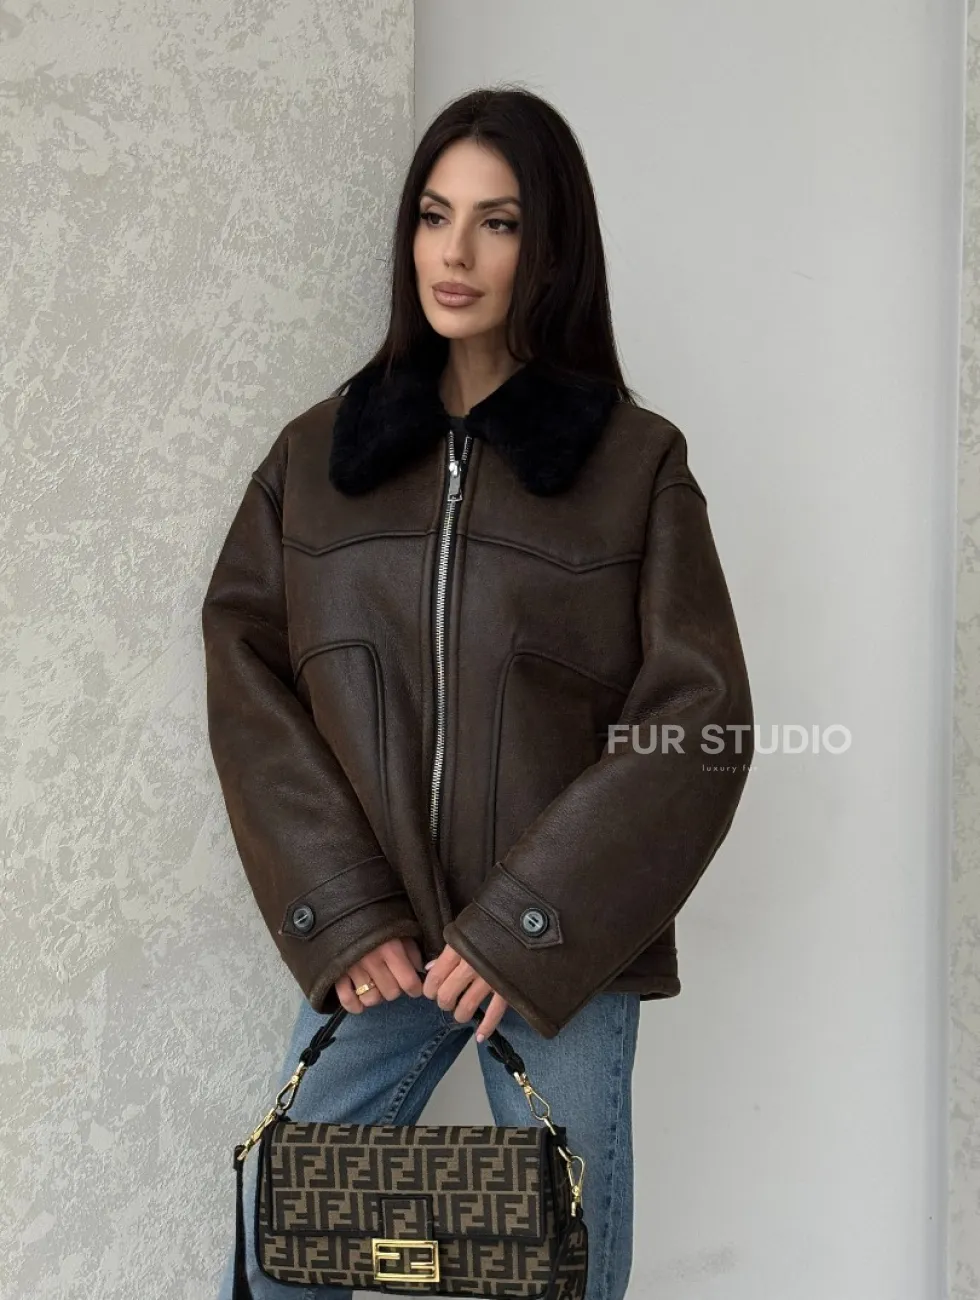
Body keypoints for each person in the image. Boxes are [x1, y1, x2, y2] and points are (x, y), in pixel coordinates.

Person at [203, 86, 754, 1300]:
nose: (453, 253)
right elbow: (249, 684)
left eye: (496, 222)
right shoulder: (316, 458)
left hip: (563, 946)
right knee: (280, 1240)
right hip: (384, 941)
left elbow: (697, 716)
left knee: (558, 1263)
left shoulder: (633, 465)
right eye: (433, 215)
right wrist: (344, 913)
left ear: (548, 248)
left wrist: (527, 929)